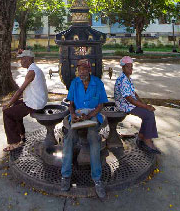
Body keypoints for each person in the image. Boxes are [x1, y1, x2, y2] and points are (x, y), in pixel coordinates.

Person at [61, 59, 108, 199]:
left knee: (93, 138)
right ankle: (66, 175)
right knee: (69, 138)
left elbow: (101, 105)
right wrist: (74, 114)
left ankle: (97, 179)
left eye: (84, 69)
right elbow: (71, 104)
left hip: (92, 115)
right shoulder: (74, 83)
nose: (82, 72)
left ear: (89, 70)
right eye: (79, 70)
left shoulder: (98, 83)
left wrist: (90, 115)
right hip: (78, 115)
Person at [2, 49, 48, 152]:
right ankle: (21, 135)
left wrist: (8, 104)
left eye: (22, 59)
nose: (20, 61)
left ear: (29, 59)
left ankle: (14, 143)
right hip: (36, 101)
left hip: (35, 104)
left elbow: (19, 91)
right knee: (15, 108)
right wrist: (13, 103)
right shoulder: (34, 69)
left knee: (7, 113)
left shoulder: (32, 71)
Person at [114, 56, 161, 154]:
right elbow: (130, 99)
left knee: (148, 113)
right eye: (128, 67)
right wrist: (145, 106)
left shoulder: (127, 78)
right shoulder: (123, 80)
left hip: (129, 103)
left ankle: (141, 137)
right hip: (124, 105)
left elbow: (134, 94)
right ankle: (147, 141)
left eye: (131, 67)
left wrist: (143, 103)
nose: (131, 69)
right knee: (148, 114)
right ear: (123, 67)